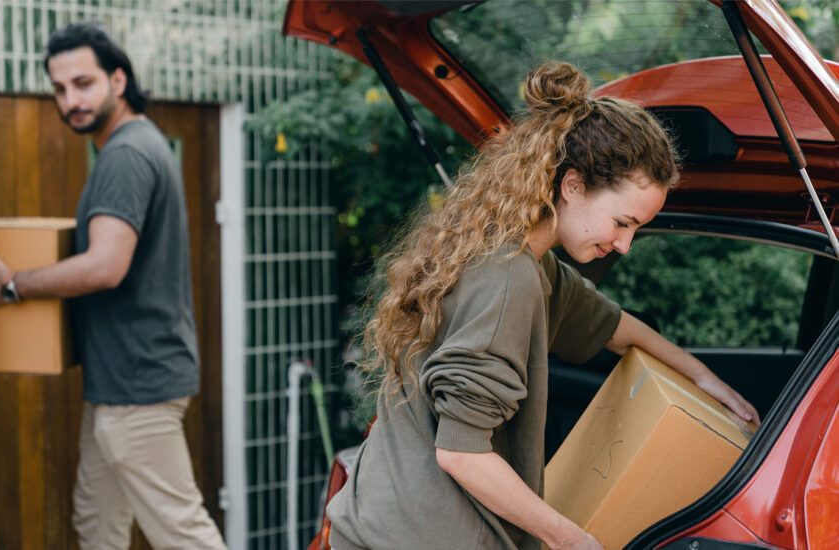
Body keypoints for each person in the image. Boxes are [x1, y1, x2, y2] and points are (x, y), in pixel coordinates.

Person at [325, 62, 761, 550]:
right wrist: (570, 539)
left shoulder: (520, 260)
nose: (625, 245)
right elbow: (461, 454)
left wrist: (704, 378)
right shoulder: (506, 280)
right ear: (572, 186)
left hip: (374, 519)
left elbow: (615, 326)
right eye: (622, 222)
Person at [0, 22, 227, 550]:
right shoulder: (139, 143)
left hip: (137, 388)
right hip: (120, 385)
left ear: (117, 79)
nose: (71, 100)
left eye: (83, 83)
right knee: (97, 521)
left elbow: (105, 265)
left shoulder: (126, 155)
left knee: (183, 535)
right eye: (60, 89)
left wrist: (11, 285)